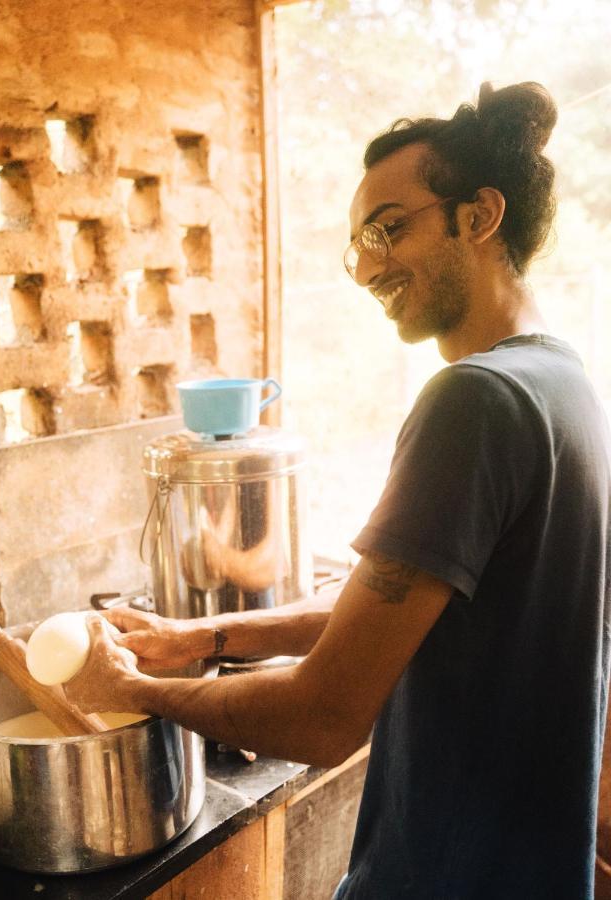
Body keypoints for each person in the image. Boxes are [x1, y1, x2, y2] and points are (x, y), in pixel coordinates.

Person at [66, 82, 611, 898]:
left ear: (479, 216)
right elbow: (399, 610)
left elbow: (323, 715)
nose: (370, 268)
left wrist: (132, 690)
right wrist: (202, 639)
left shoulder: (473, 402)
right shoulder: (560, 381)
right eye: (362, 243)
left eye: (390, 230)